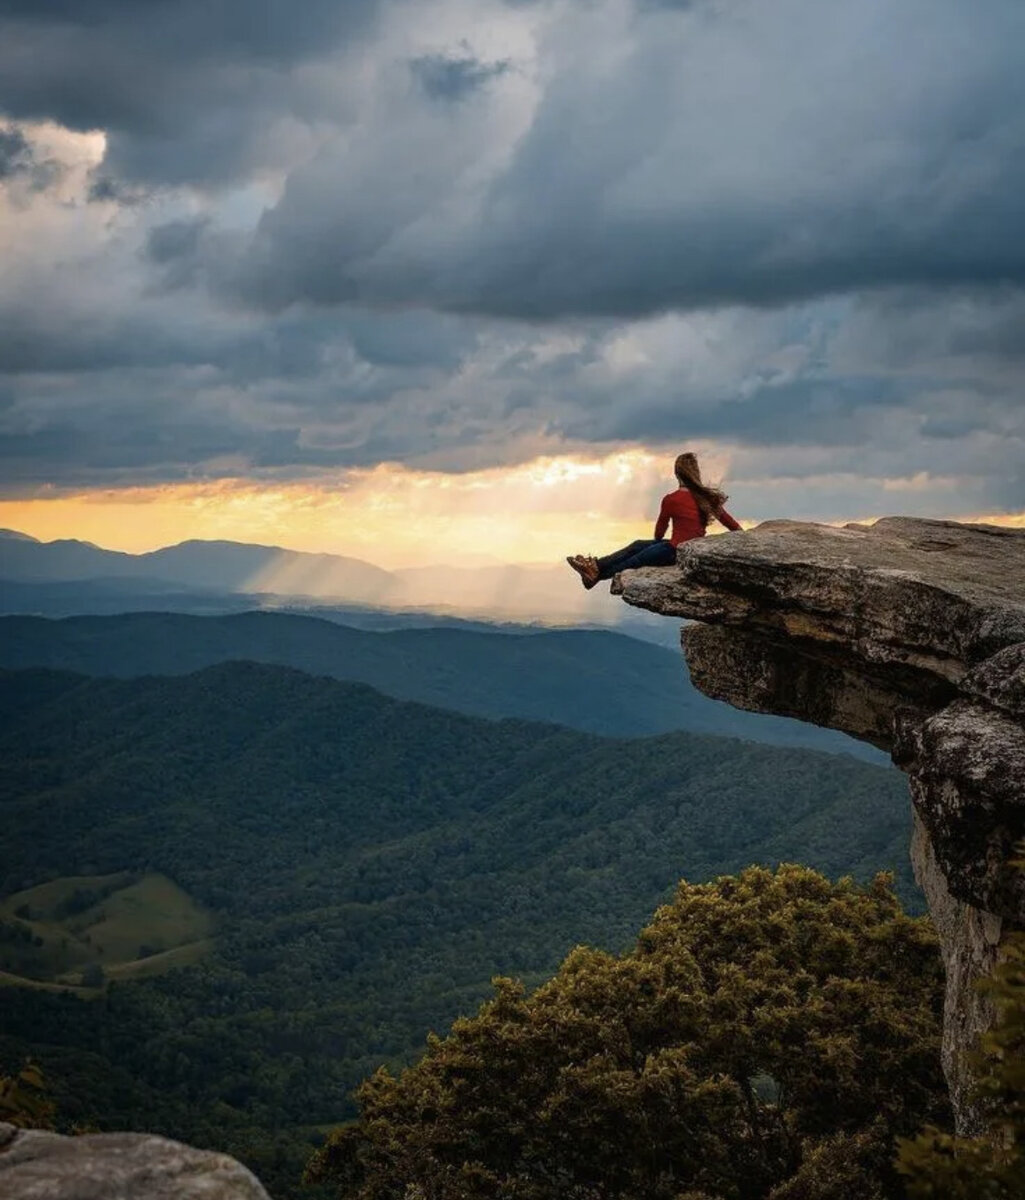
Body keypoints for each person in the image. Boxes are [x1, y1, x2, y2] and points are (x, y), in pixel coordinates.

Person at [567, 452, 741, 589]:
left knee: (634, 559)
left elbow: (659, 532)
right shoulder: (705, 498)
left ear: (677, 474)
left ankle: (595, 574)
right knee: (638, 545)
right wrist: (746, 538)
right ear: (696, 474)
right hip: (689, 549)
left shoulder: (671, 499)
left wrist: (655, 545)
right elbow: (730, 523)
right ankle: (596, 565)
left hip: (675, 551)